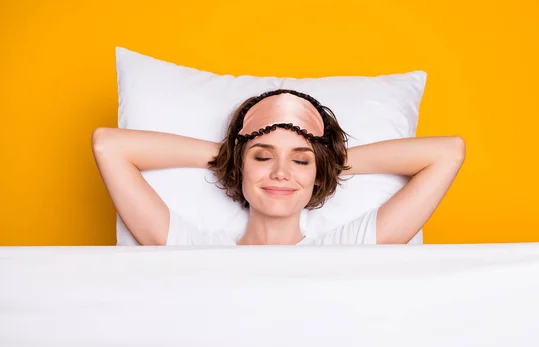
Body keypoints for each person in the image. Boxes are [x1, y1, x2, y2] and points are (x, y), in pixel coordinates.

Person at [92, 89, 465, 246]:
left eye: (300, 160)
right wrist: (230, 156)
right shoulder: (195, 248)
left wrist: (326, 160)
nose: (281, 172)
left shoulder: (348, 248)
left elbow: (448, 152)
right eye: (262, 156)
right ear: (241, 166)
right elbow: (109, 146)